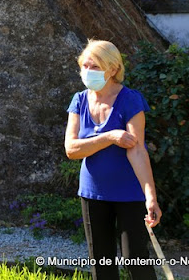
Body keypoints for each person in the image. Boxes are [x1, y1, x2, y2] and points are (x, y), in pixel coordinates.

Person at [65, 39, 162, 280]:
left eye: (95, 66)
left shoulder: (130, 100)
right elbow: (72, 149)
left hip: (129, 194)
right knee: (101, 263)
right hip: (92, 193)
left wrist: (151, 197)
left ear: (113, 69)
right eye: (84, 66)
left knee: (135, 260)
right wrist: (109, 137)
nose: (87, 72)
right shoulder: (78, 100)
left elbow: (137, 150)